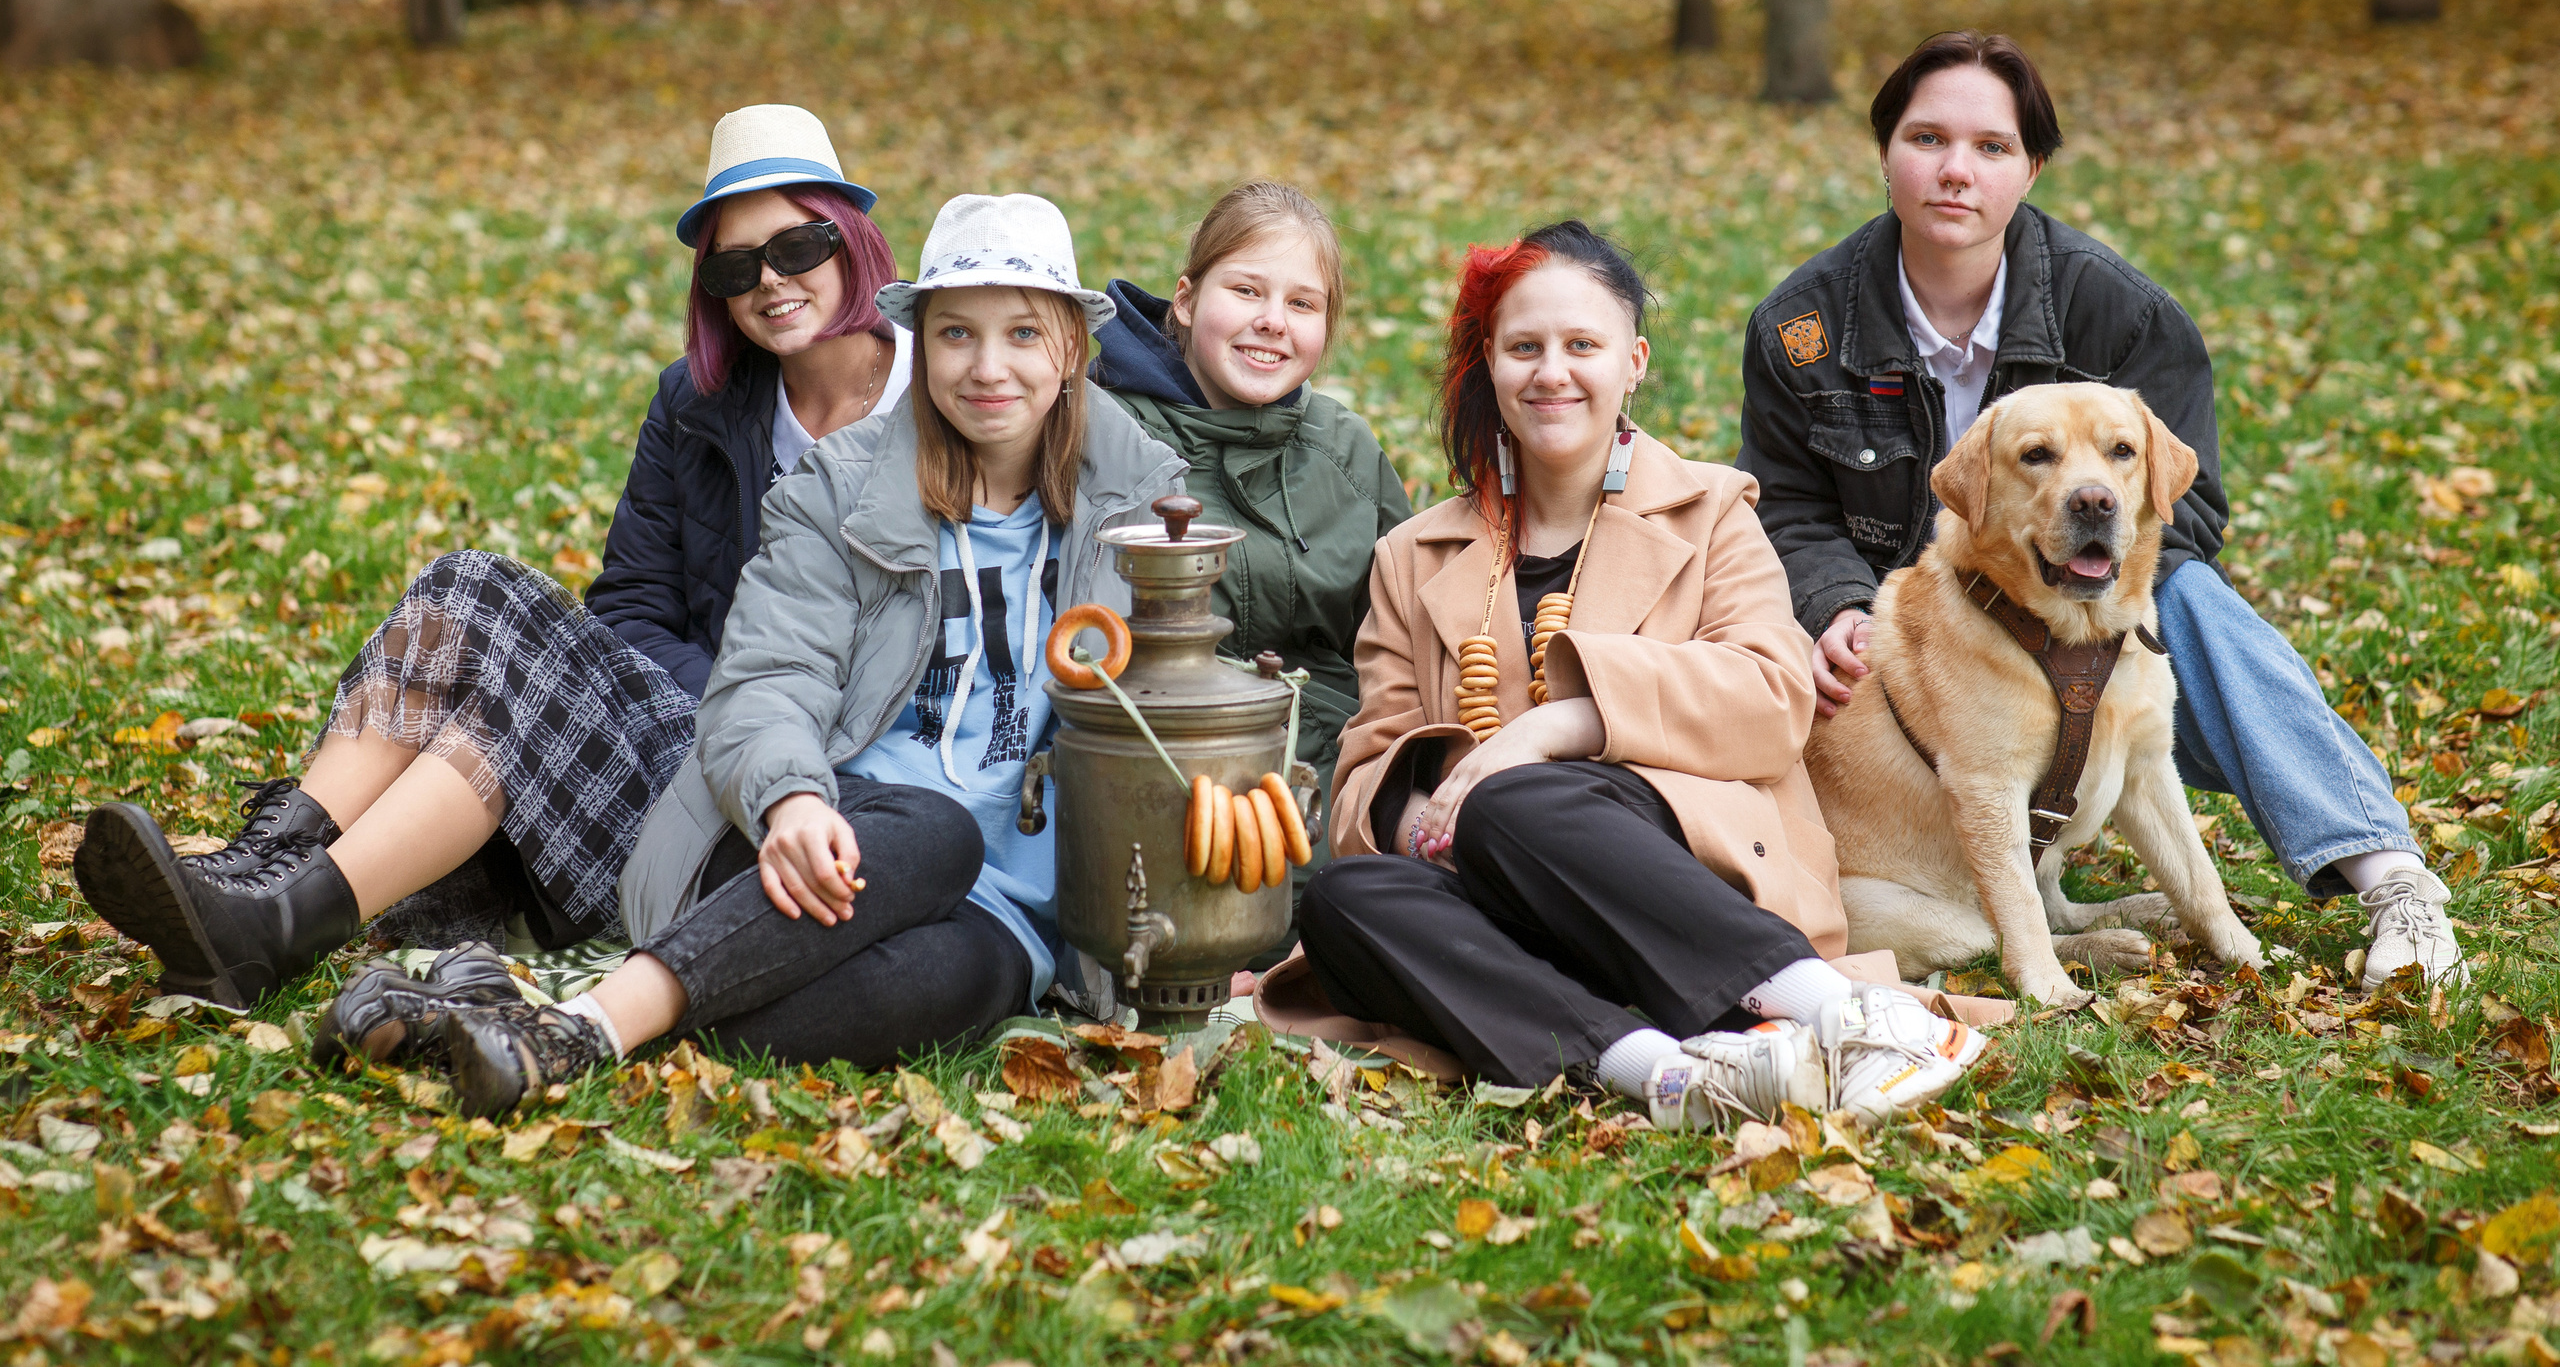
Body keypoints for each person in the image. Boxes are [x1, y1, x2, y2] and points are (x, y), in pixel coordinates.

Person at [73, 105, 910, 1021]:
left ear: (851, 239)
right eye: (735, 266)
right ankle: (258, 875)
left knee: (516, 682)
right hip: (689, 724)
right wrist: (705, 695)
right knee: (466, 585)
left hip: (799, 784)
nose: (771, 281)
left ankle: (270, 916)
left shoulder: (935, 402)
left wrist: (755, 710)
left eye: (796, 247)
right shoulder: (697, 402)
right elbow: (631, 606)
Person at [404, 195, 1184, 1118]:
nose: (987, 367)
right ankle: (587, 1027)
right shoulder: (842, 485)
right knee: (940, 832)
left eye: (1022, 333)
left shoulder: (1140, 505)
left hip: (1004, 905)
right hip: (805, 835)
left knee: (954, 984)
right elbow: (769, 675)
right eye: (956, 334)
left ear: (1071, 349)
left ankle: (485, 1018)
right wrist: (793, 799)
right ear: (922, 344)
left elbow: (1178, 713)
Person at [1734, 30, 2462, 989]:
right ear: (1885, 152)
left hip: (2093, 601)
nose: (1956, 170)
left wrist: (2081, 595)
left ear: (2031, 169)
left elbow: (2186, 509)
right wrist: (1831, 603)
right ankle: (1798, 881)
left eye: (1992, 146)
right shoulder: (1802, 325)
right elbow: (1782, 506)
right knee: (1756, 638)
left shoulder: (2124, 314)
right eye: (1927, 138)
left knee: (2189, 602)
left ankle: (2392, 877)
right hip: (1894, 637)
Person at [1275, 221, 1991, 1129]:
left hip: (1688, 885)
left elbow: (1774, 698)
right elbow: (1364, 774)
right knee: (1343, 900)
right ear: (1490, 362)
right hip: (1503, 904)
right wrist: (1427, 821)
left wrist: (1555, 726)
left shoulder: (1713, 509)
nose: (1553, 372)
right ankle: (1669, 1075)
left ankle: (1846, 1016)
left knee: (1520, 797)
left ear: (1634, 363)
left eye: (1583, 345)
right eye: (1524, 348)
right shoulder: (1412, 557)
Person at [1091, 180, 1411, 817]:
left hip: (1326, 771)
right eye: (1246, 290)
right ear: (1186, 301)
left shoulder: (1342, 448)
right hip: (1152, 762)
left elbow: (1400, 646)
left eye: (1302, 303)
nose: (1273, 320)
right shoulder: (1098, 433)